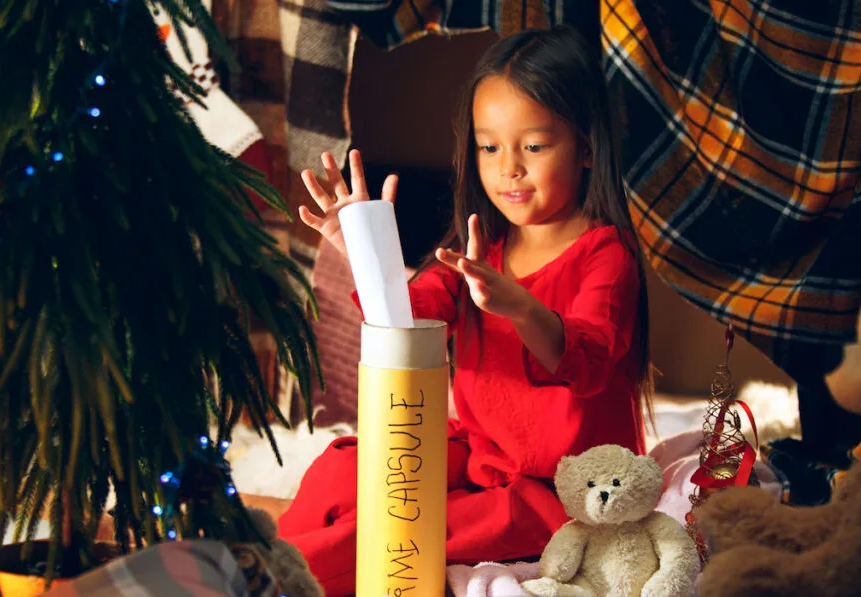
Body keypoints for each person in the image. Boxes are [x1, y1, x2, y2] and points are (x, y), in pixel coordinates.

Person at [277, 25, 655, 596]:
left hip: (559, 490)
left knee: (404, 531)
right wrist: (357, 245)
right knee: (341, 468)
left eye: (533, 146)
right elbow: (405, 316)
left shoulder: (606, 252)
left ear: (586, 148)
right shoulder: (486, 249)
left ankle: (262, 578)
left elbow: (590, 358)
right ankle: (263, 548)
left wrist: (522, 308)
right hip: (478, 456)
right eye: (489, 147)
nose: (509, 168)